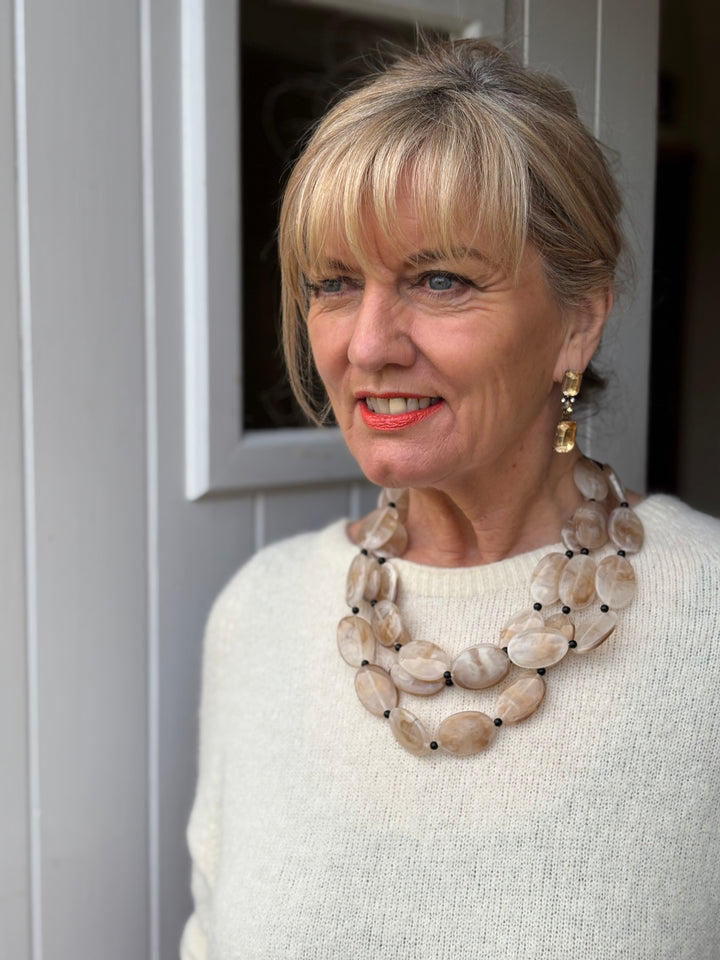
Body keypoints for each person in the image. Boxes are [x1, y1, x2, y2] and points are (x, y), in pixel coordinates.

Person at [181, 39, 720, 960]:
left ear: (579, 319)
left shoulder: (706, 617)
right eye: (334, 283)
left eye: (440, 280)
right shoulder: (259, 615)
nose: (368, 345)